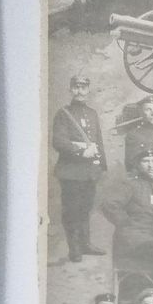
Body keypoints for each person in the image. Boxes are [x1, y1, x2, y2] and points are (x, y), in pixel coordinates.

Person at [52, 75, 107, 262]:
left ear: (88, 90)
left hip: (89, 172)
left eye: (83, 87)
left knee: (85, 208)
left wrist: (101, 165)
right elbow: (58, 141)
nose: (80, 91)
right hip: (71, 171)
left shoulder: (92, 113)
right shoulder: (63, 113)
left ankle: (85, 244)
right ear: (70, 89)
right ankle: (74, 248)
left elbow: (98, 140)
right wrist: (81, 150)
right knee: (71, 210)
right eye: (76, 87)